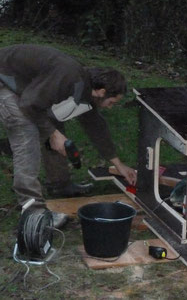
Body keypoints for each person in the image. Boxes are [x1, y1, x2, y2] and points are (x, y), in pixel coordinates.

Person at [0, 44, 137, 228]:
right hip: (4, 81)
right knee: (27, 137)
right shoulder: (69, 77)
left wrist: (118, 164)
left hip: (22, 88)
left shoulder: (85, 86)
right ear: (102, 92)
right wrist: (52, 134)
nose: (110, 107)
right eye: (111, 102)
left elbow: (95, 125)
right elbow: (29, 104)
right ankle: (35, 214)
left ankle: (59, 184)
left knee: (54, 121)